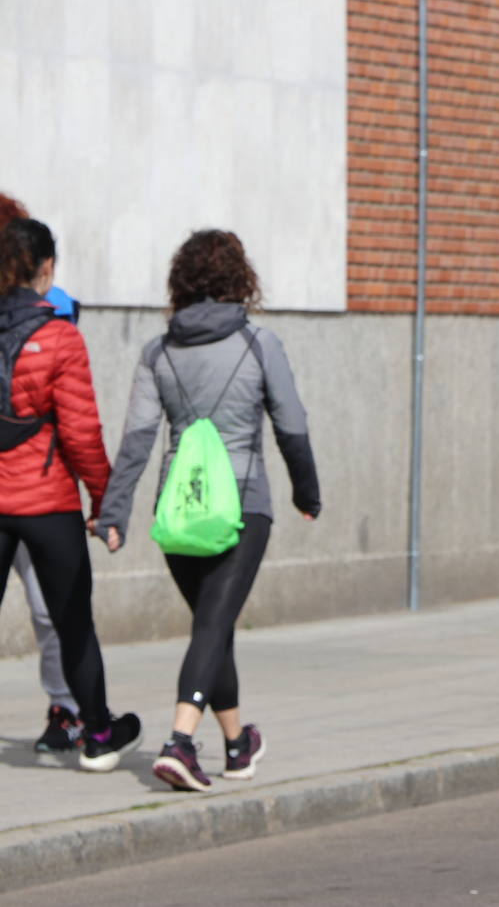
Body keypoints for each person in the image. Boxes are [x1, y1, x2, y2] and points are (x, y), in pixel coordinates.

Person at [98, 229, 321, 792]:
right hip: (242, 508)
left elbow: (136, 440)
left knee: (212, 626)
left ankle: (238, 743)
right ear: (240, 279)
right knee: (213, 625)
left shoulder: (158, 352)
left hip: (178, 512)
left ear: (181, 282)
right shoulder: (258, 343)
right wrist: (307, 493)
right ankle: (179, 742)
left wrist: (114, 512)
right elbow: (292, 426)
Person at [0, 216, 142, 771]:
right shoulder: (61, 337)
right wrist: (106, 503)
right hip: (47, 503)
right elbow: (82, 434)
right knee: (72, 622)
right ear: (47, 268)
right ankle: (99, 735)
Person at [0, 191, 85, 753]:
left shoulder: (54, 309)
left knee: (48, 607)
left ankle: (68, 708)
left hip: (34, 486)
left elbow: (72, 411)